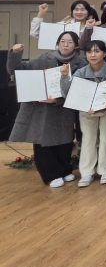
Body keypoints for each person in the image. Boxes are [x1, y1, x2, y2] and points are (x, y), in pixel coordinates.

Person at [7, 32, 87, 187]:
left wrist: (57, 100)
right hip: (42, 108)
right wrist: (15, 53)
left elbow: (79, 90)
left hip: (64, 108)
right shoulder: (43, 59)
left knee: (64, 141)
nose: (65, 45)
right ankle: (50, 175)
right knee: (43, 141)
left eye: (70, 42)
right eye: (62, 41)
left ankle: (64, 169)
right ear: (57, 43)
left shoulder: (81, 64)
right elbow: (16, 69)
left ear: (76, 45)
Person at [60, 40, 106, 187]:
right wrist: (65, 77)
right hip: (87, 111)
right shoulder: (81, 72)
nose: (93, 55)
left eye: (97, 51)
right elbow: (70, 93)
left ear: (104, 53)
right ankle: (86, 173)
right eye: (90, 52)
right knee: (87, 139)